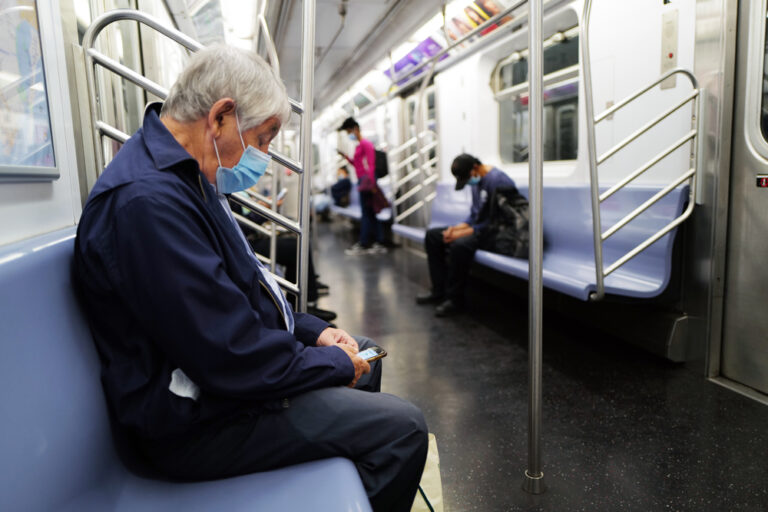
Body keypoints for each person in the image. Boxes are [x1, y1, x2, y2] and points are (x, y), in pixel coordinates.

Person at [74, 45, 427, 512]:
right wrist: (334, 366)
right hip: (195, 422)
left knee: (365, 354)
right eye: (262, 139)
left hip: (218, 386)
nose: (263, 156)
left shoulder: (190, 178)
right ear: (221, 117)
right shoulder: (148, 204)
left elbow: (238, 294)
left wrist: (315, 332)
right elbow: (229, 355)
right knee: (402, 429)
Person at [416, 153, 516, 317]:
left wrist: (459, 235)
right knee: (433, 236)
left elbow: (498, 222)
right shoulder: (477, 181)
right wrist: (454, 229)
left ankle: (455, 299)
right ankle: (438, 290)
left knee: (460, 245)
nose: (468, 182)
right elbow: (474, 216)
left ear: (475, 168)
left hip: (498, 233)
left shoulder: (499, 182)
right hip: (481, 229)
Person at [337, 117, 387, 255]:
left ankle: (365, 243)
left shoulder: (366, 144)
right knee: (370, 212)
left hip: (367, 181)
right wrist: (346, 157)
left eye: (349, 132)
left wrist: (371, 183)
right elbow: (357, 165)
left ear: (355, 129)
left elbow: (371, 164)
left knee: (367, 212)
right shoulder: (359, 146)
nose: (349, 135)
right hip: (362, 180)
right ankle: (379, 241)